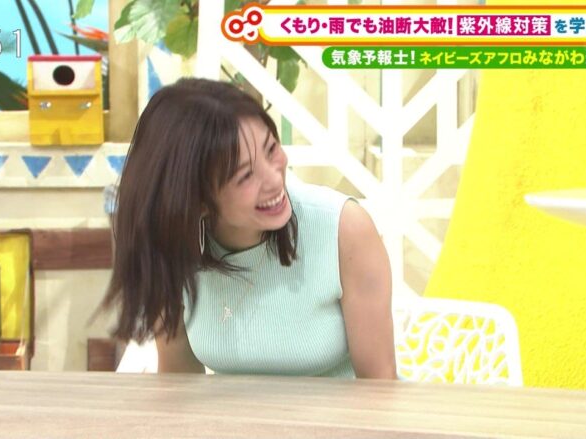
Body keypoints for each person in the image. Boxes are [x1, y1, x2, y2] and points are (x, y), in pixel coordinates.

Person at [101, 78, 396, 379]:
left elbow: (379, 387)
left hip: (342, 411)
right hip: (230, 411)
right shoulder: (173, 247)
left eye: (271, 149)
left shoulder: (344, 229)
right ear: (196, 200)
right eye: (245, 176)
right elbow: (179, 383)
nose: (274, 180)